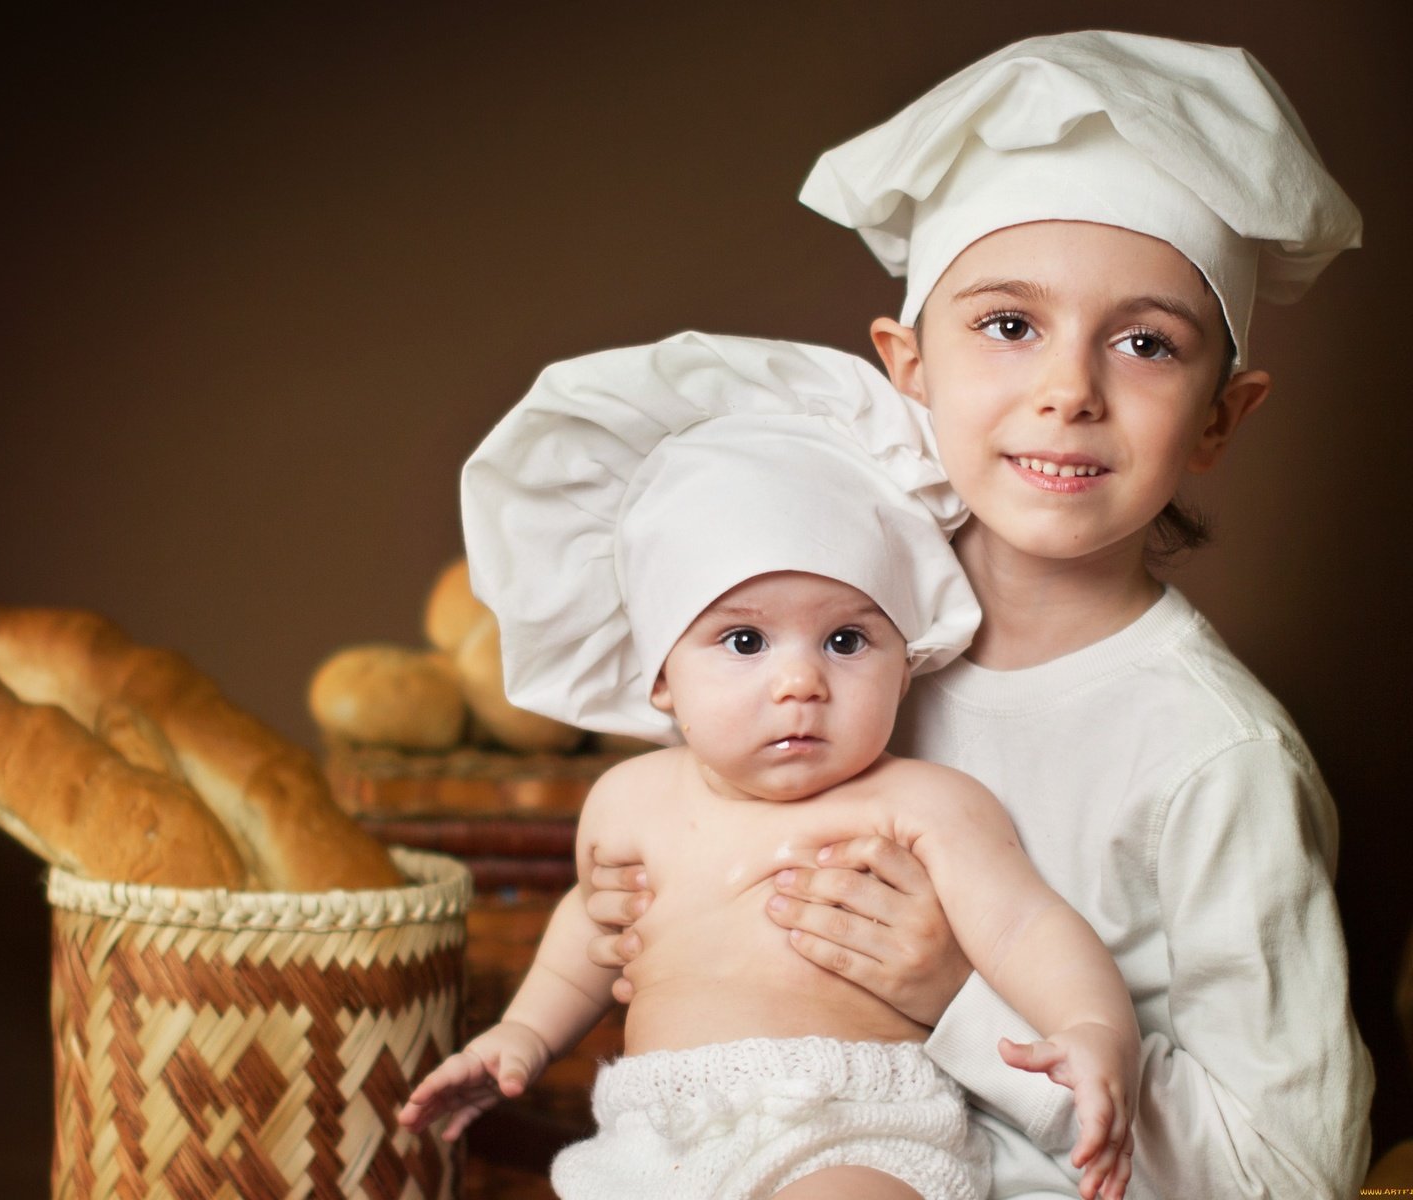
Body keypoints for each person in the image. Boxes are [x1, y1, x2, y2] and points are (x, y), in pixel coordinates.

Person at [583, 30, 1374, 1200]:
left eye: (1145, 343)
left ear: (1219, 415)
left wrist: (957, 995)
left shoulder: (1214, 759)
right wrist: (650, 909)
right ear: (908, 362)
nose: (1068, 390)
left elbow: (1289, 1170)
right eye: (1008, 325)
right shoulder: (818, 638)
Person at [399, 332, 1141, 1200]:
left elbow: (1026, 930)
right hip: (653, 1139)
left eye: (847, 639)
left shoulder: (923, 805)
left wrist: (1093, 1030)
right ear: (662, 676)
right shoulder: (629, 801)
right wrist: (522, 1036)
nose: (800, 682)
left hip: (851, 1128)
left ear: (906, 658)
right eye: (743, 640)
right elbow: (594, 941)